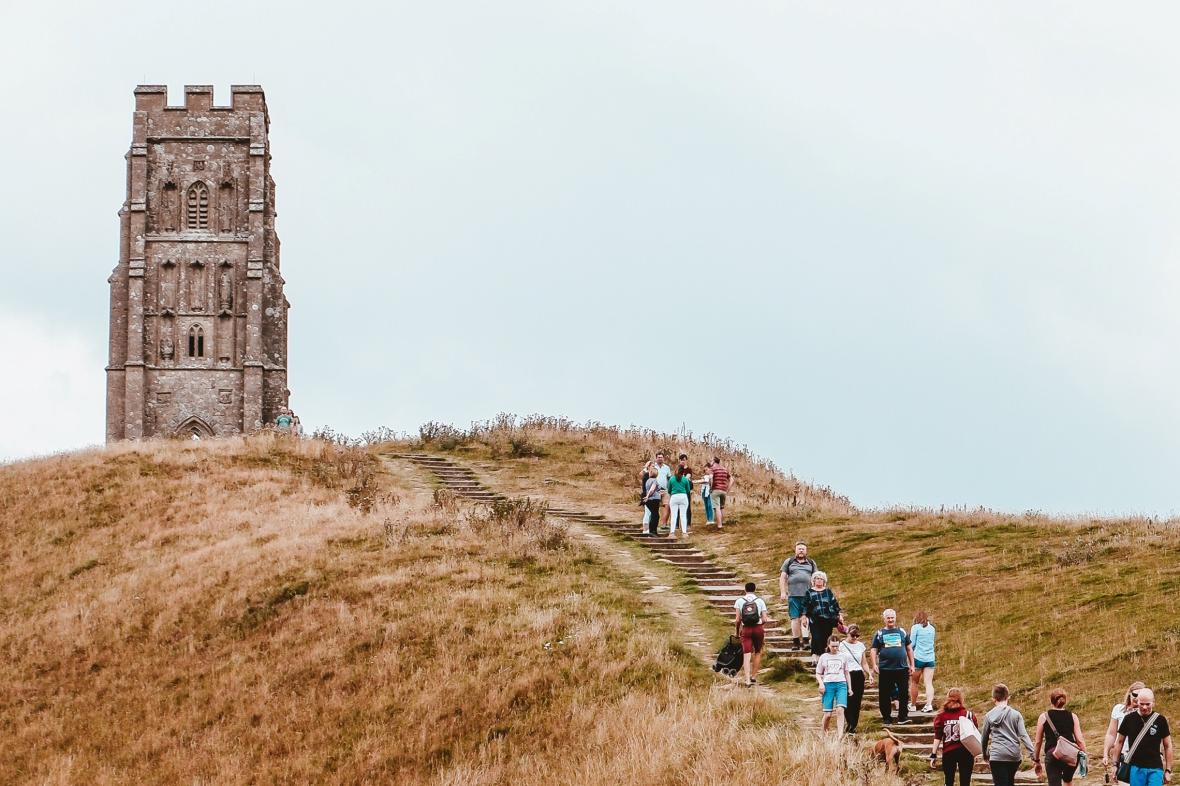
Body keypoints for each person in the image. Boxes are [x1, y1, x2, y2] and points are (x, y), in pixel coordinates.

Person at [981, 683, 1037, 786]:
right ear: (1008, 697)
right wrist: (1033, 755)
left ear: (993, 699)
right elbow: (1023, 736)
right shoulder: (1016, 715)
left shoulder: (989, 716)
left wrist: (985, 753)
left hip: (997, 756)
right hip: (1013, 756)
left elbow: (984, 738)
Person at [1114, 688, 1172, 786]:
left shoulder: (1161, 720)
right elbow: (1119, 742)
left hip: (1155, 768)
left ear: (1153, 702)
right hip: (1135, 768)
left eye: (1148, 704)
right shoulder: (1129, 719)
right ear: (1137, 702)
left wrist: (1168, 770)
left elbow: (1168, 745)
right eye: (1142, 704)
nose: (1144, 707)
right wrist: (1115, 765)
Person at [1034, 688, 1087, 786]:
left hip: (1053, 755)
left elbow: (1038, 742)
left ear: (1051, 701)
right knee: (1067, 780)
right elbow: (1079, 740)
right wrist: (1084, 757)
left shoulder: (1044, 717)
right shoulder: (1073, 716)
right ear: (1065, 700)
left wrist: (1036, 761)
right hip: (1071, 754)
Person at [871, 609, 915, 724]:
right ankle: (887, 718)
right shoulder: (879, 633)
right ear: (884, 619)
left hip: (902, 668)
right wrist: (874, 664)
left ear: (895, 618)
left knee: (903, 693)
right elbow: (874, 649)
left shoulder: (902, 632)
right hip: (885, 669)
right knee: (884, 694)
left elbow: (909, 649)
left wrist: (912, 665)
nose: (890, 620)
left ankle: (903, 717)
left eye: (892, 617)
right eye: (888, 618)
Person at [931, 688, 978, 786]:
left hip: (948, 752)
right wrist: (976, 753)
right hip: (966, 751)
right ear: (961, 699)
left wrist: (933, 754)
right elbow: (974, 736)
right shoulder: (968, 715)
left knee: (948, 781)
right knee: (965, 782)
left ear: (948, 698)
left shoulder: (941, 716)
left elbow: (938, 736)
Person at [1107, 682, 1149, 785]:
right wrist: (1106, 754)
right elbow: (1112, 735)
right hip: (1124, 757)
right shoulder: (1119, 709)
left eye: (1140, 696)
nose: (1136, 698)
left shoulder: (1146, 714)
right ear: (1129, 694)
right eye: (1134, 695)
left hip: (1141, 759)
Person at [778, 542, 817, 650]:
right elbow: (783, 577)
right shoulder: (789, 561)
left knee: (806, 618)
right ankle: (796, 642)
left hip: (808, 596)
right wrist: (783, 592)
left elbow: (816, 577)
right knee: (795, 618)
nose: (801, 550)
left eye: (803, 549)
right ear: (795, 550)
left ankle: (806, 641)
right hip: (793, 595)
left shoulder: (811, 563)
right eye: (799, 548)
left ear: (806, 551)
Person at [732, 582, 769, 687]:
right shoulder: (760, 601)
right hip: (758, 629)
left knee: (746, 654)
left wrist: (737, 632)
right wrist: (759, 624)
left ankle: (747, 680)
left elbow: (738, 620)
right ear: (755, 589)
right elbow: (765, 619)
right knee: (757, 652)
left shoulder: (739, 601)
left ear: (745, 590)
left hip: (746, 629)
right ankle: (754, 676)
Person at [839, 623, 873, 734]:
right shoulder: (841, 645)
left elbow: (864, 662)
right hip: (846, 674)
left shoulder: (860, 646)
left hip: (858, 674)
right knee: (848, 700)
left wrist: (869, 674)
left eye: (857, 636)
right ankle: (849, 723)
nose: (854, 638)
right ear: (847, 634)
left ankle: (853, 725)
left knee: (857, 701)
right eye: (852, 635)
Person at [815, 635, 853, 734]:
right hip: (828, 685)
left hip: (841, 684)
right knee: (828, 714)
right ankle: (824, 733)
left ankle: (840, 735)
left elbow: (846, 672)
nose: (835, 648)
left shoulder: (843, 656)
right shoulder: (824, 657)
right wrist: (821, 684)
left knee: (840, 710)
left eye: (837, 646)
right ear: (828, 645)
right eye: (833, 646)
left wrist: (850, 688)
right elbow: (818, 673)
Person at [800, 571, 841, 658]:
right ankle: (815, 657)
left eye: (821, 579)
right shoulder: (809, 592)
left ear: (824, 581)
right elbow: (804, 606)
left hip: (828, 620)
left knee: (826, 638)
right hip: (815, 620)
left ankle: (824, 657)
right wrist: (803, 617)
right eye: (817, 578)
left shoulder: (828, 591)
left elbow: (834, 604)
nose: (819, 580)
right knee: (816, 638)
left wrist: (839, 615)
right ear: (813, 580)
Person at [909, 610, 937, 714]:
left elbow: (912, 644)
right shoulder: (932, 628)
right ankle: (929, 704)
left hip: (918, 658)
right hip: (930, 659)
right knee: (928, 683)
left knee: (914, 682)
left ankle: (913, 705)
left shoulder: (915, 628)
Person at [666, 464, 692, 538]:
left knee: (674, 515)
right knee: (683, 515)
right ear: (683, 472)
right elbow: (688, 490)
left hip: (674, 497)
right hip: (683, 496)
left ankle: (672, 533)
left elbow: (669, 490)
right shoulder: (685, 479)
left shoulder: (672, 479)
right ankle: (684, 533)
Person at [709, 456, 732, 528]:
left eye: (711, 460)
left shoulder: (712, 469)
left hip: (716, 490)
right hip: (723, 491)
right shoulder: (725, 469)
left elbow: (711, 478)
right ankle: (722, 522)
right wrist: (727, 489)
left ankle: (719, 525)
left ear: (714, 461)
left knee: (717, 508)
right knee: (722, 507)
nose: (710, 462)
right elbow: (732, 480)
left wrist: (711, 488)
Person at [641, 464, 662, 536]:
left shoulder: (648, 480)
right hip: (653, 499)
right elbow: (652, 489)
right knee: (655, 515)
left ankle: (653, 531)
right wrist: (647, 496)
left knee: (654, 514)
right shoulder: (654, 480)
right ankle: (652, 531)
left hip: (650, 500)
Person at [653, 452, 673, 527]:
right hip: (655, 490)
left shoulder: (667, 467)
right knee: (655, 507)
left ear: (663, 458)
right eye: (658, 457)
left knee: (667, 506)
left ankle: (664, 524)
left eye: (661, 457)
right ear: (656, 458)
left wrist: (670, 488)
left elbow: (669, 478)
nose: (660, 459)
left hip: (665, 490)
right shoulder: (653, 467)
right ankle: (653, 524)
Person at [677, 454, 693, 527]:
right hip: (678, 490)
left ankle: (688, 523)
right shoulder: (678, 469)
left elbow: (687, 478)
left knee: (688, 506)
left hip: (686, 490)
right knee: (677, 507)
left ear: (686, 460)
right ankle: (677, 524)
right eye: (681, 460)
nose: (682, 461)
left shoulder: (689, 469)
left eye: (684, 460)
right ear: (679, 461)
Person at [701, 460, 715, 526]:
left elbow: (710, 482)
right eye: (705, 470)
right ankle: (708, 519)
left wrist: (711, 488)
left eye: (706, 469)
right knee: (706, 505)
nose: (706, 471)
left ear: (710, 469)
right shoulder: (705, 476)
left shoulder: (711, 475)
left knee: (710, 505)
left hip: (708, 491)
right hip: (704, 491)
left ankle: (711, 519)